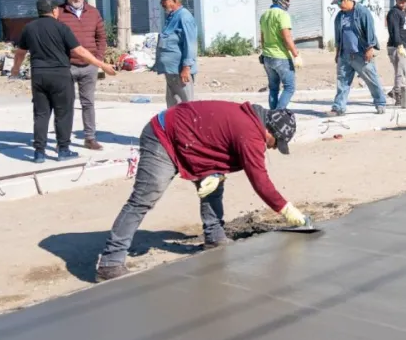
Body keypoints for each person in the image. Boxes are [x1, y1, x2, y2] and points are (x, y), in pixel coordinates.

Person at [95, 101, 310, 281]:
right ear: (270, 130)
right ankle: (110, 263)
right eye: (276, 142)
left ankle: (214, 236)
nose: (273, 147)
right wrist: (286, 209)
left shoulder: (252, 122)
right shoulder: (251, 133)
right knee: (144, 198)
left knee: (213, 186)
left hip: (190, 137)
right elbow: (259, 180)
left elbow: (219, 141)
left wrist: (216, 172)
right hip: (163, 135)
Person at [8, 0, 117, 163]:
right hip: (60, 76)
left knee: (41, 114)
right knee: (63, 113)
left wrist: (15, 70)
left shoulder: (28, 28)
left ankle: (39, 152)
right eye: (57, 8)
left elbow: (20, 53)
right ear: (53, 10)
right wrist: (101, 65)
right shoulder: (62, 28)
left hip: (39, 76)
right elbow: (80, 51)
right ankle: (63, 150)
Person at [57, 0, 108, 151]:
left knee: (88, 103)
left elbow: (101, 37)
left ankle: (90, 138)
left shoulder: (93, 12)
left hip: (89, 67)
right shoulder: (58, 13)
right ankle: (63, 140)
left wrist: (98, 59)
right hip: (67, 66)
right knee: (65, 104)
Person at [329, 0, 388, 116]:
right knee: (342, 82)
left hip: (361, 54)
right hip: (345, 55)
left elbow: (370, 31)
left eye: (339, 3)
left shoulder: (362, 12)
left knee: (371, 79)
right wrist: (337, 53)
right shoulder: (340, 16)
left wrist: (369, 49)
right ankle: (338, 107)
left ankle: (380, 102)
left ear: (346, 0)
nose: (338, 6)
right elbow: (338, 36)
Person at [153, 0, 198, 108]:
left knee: (186, 104)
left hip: (180, 72)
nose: (161, 3)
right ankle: (175, 127)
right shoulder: (172, 16)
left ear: (175, 0)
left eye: (164, 0)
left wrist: (186, 68)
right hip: (171, 71)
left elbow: (190, 43)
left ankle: (188, 126)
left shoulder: (184, 17)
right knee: (173, 104)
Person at [259, 0, 302, 110]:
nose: (289, 3)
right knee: (289, 87)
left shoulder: (264, 15)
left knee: (273, 88)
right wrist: (296, 55)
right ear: (280, 1)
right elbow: (287, 38)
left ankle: (272, 114)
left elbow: (262, 38)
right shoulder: (282, 15)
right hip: (281, 57)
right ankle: (278, 113)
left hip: (267, 57)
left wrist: (265, 52)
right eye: (287, 0)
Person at [386, 0, 406, 102]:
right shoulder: (394, 13)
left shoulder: (403, 11)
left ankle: (394, 91)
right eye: (400, 0)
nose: (403, 2)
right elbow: (394, 31)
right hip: (396, 47)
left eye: (405, 0)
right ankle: (398, 95)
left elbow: (404, 29)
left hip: (404, 47)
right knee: (400, 72)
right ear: (396, 0)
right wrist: (399, 45)